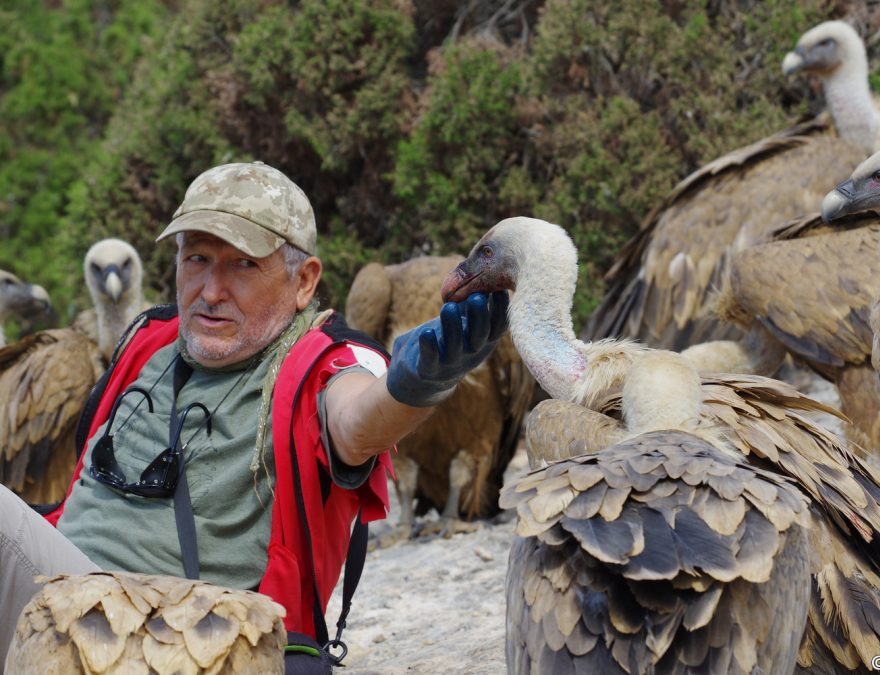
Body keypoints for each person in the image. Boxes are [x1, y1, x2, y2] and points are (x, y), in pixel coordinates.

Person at [0, 161, 507, 667]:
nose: (212, 290)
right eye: (197, 258)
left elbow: (355, 422)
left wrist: (416, 383)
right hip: (57, 600)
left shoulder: (320, 361)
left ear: (304, 281)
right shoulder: (147, 341)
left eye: (243, 265)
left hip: (183, 638)